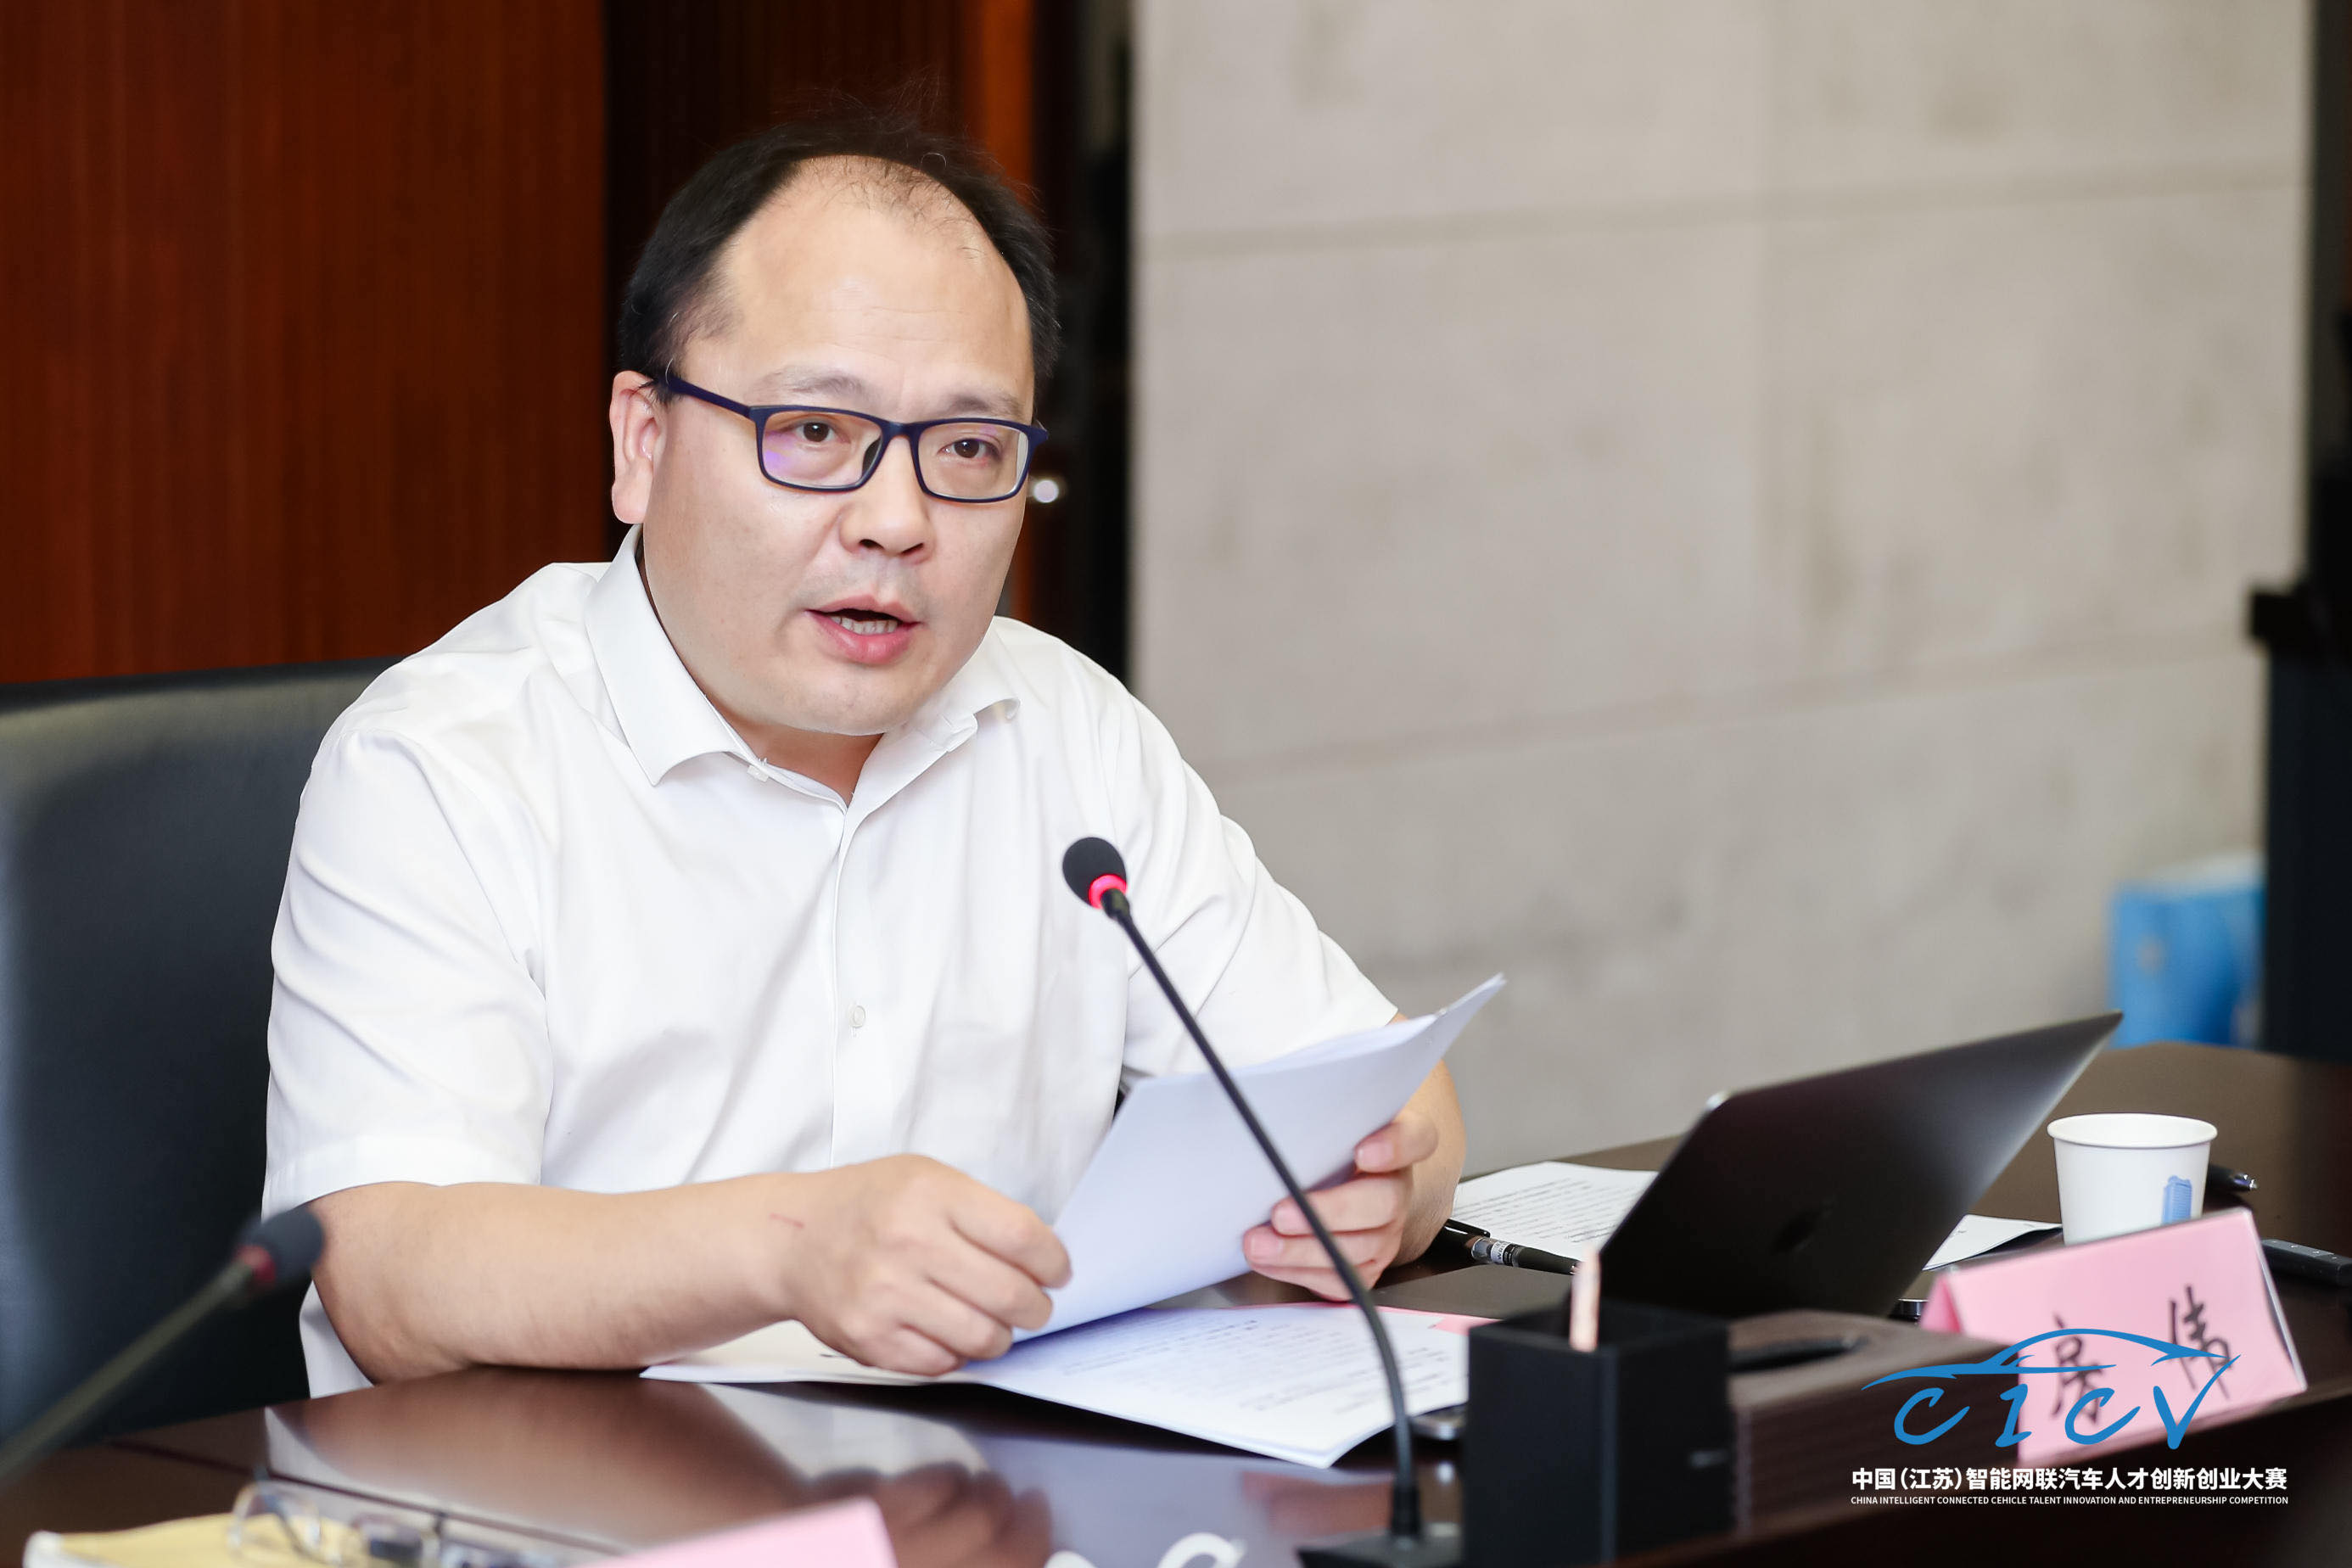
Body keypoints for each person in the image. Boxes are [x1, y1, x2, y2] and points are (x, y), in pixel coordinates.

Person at [263, 114, 1464, 1393]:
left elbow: (1389, 1096)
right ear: (642, 442)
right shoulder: (440, 764)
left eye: (968, 450)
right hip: (581, 1486)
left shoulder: (1065, 723)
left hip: (998, 1475)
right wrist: (790, 1248)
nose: (896, 521)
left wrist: (1391, 1189)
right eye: (814, 433)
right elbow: (392, 1275)